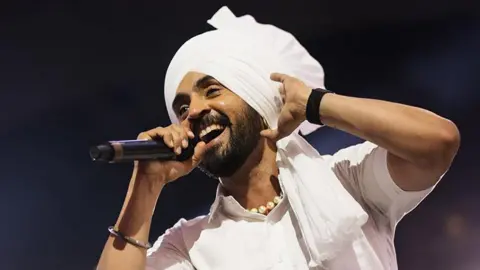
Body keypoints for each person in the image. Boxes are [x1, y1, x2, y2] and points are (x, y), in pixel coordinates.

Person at [97, 6, 460, 270]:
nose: (191, 112)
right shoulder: (190, 247)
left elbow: (438, 142)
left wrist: (316, 104)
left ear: (256, 95)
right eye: (181, 108)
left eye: (212, 90)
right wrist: (146, 186)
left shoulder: (349, 182)